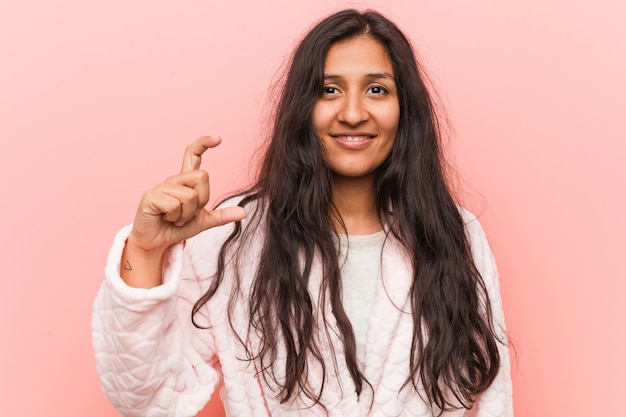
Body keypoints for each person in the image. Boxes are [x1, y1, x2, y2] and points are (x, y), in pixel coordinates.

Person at [92, 8, 513, 417]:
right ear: (301, 108)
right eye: (329, 90)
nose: (352, 113)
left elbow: (490, 401)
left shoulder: (455, 234)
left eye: (377, 89)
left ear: (406, 111)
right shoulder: (234, 237)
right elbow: (146, 399)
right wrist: (145, 252)